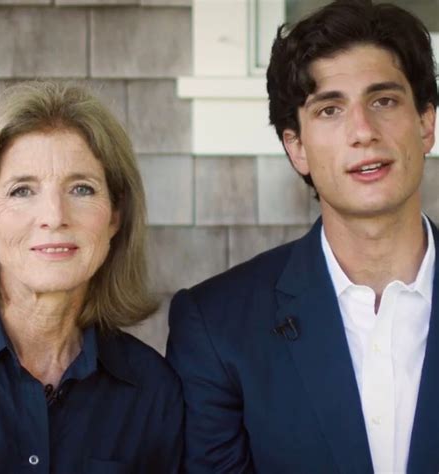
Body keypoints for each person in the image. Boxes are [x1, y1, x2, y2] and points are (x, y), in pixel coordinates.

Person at [166, 0, 438, 472]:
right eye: (330, 109)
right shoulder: (216, 327)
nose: (362, 131)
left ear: (426, 123)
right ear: (297, 148)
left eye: (384, 101)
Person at [0, 81, 182, 473]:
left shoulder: (152, 389)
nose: (54, 215)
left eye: (81, 188)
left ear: (115, 217)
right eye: (21, 191)